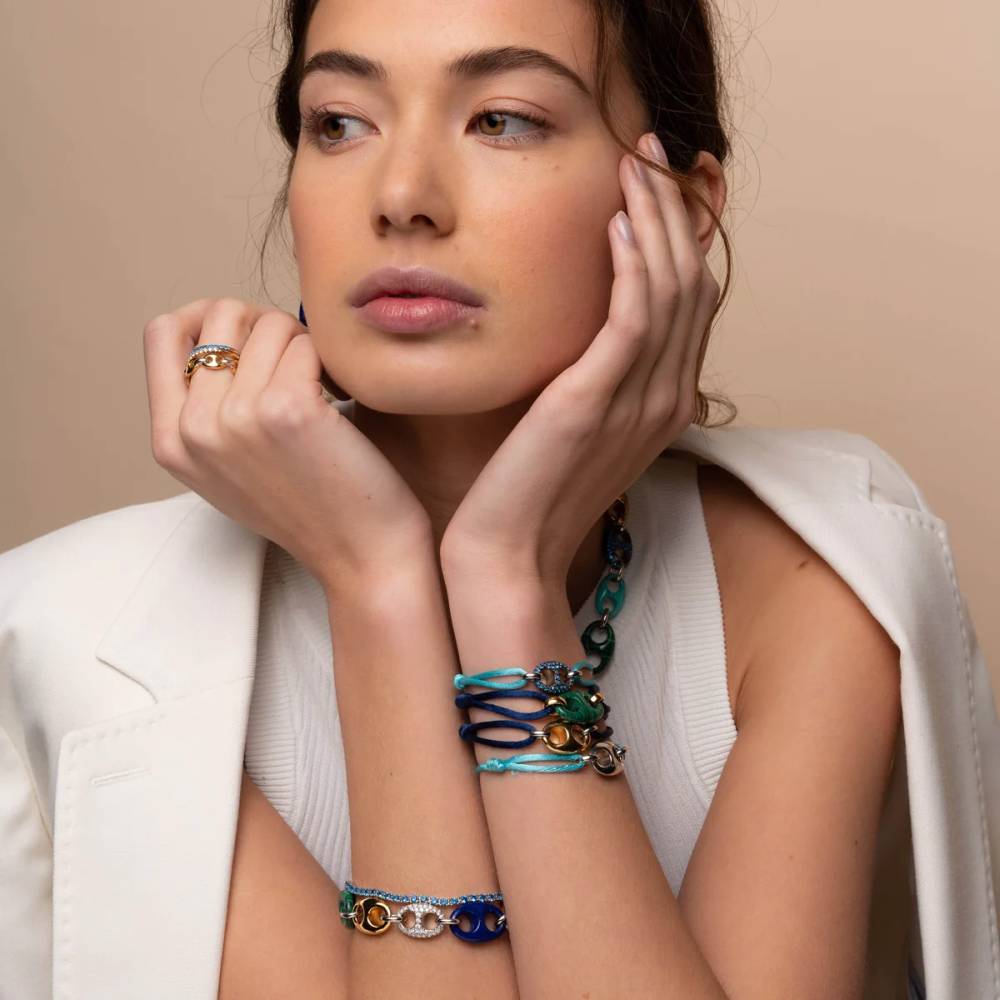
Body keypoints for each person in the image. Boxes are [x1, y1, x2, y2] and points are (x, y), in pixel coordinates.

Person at [1, 1, 997, 998]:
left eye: (503, 119)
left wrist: (504, 578)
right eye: (340, 122)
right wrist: (378, 583)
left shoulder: (825, 573)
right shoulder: (88, 642)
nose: (402, 196)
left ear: (683, 211)